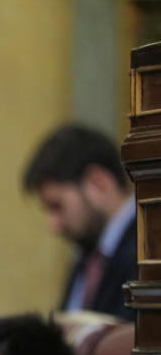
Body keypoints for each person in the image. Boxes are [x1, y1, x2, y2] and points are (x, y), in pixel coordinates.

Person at [22, 123, 136, 320]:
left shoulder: (150, 248)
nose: (53, 225)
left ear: (98, 183)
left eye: (57, 206)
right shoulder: (89, 254)